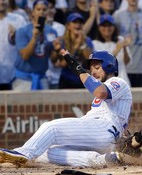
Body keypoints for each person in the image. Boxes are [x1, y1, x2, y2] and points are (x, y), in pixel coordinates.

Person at [0, 49, 132, 168]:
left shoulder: (118, 81)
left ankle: (23, 153)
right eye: (91, 69)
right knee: (48, 151)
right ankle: (102, 160)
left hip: (104, 129)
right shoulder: (107, 88)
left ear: (109, 66)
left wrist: (77, 68)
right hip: (102, 136)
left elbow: (100, 92)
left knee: (51, 128)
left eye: (97, 67)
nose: (93, 72)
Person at [13, 0, 57, 91]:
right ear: (33, 12)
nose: (41, 12)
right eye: (38, 9)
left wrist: (57, 49)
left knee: (45, 105)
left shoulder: (52, 32)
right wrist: (34, 37)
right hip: (23, 80)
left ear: (48, 12)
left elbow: (53, 60)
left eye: (44, 9)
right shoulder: (22, 31)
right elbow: (25, 56)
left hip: (42, 78)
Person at [51, 12, 93, 89]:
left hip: (84, 79)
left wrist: (82, 43)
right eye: (75, 22)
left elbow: (90, 60)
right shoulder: (62, 41)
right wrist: (56, 50)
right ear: (68, 26)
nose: (78, 24)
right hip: (66, 79)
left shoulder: (87, 40)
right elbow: (63, 63)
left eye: (80, 22)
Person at [93, 14, 132, 86]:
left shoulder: (120, 39)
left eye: (109, 25)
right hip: (105, 84)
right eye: (104, 26)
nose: (107, 28)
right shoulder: (95, 44)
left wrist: (124, 48)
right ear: (99, 28)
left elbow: (127, 62)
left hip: (122, 81)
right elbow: (104, 65)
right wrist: (117, 50)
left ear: (114, 27)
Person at [0, 0, 26, 90]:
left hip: (15, 75)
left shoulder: (19, 20)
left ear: (8, 0)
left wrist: (16, 36)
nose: (1, 2)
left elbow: (26, 44)